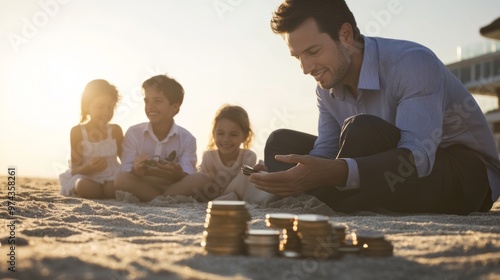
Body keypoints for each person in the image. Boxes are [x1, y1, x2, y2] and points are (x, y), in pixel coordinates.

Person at [249, 0, 500, 214]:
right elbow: (326, 149)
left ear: (345, 35)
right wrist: (300, 171)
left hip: (464, 177)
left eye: (313, 52)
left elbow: (418, 159)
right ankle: (338, 197)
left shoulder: (411, 62)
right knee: (280, 145)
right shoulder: (325, 87)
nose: (305, 68)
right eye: (298, 57)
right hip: (382, 170)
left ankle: (336, 198)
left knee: (361, 130)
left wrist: (330, 173)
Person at [114, 74, 209, 202]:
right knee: (121, 179)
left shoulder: (187, 138)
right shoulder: (133, 132)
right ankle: (163, 199)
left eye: (157, 101)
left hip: (174, 186)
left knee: (202, 179)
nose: (150, 106)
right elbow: (126, 168)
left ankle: (158, 198)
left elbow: (188, 172)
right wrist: (137, 170)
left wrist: (177, 174)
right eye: (147, 101)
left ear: (174, 107)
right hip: (143, 184)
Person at [199, 105, 277, 204]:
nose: (226, 139)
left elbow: (242, 183)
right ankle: (228, 197)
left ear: (245, 136)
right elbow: (205, 186)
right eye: (220, 133)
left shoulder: (248, 156)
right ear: (213, 133)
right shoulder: (209, 157)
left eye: (233, 135)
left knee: (256, 175)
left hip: (241, 194)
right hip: (217, 197)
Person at [59, 79, 123, 199]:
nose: (106, 112)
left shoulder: (116, 131)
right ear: (87, 106)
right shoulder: (77, 132)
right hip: (86, 176)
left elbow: (125, 160)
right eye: (100, 106)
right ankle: (98, 191)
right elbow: (75, 168)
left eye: (110, 107)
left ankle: (104, 191)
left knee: (114, 187)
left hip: (111, 176)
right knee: (84, 186)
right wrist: (88, 168)